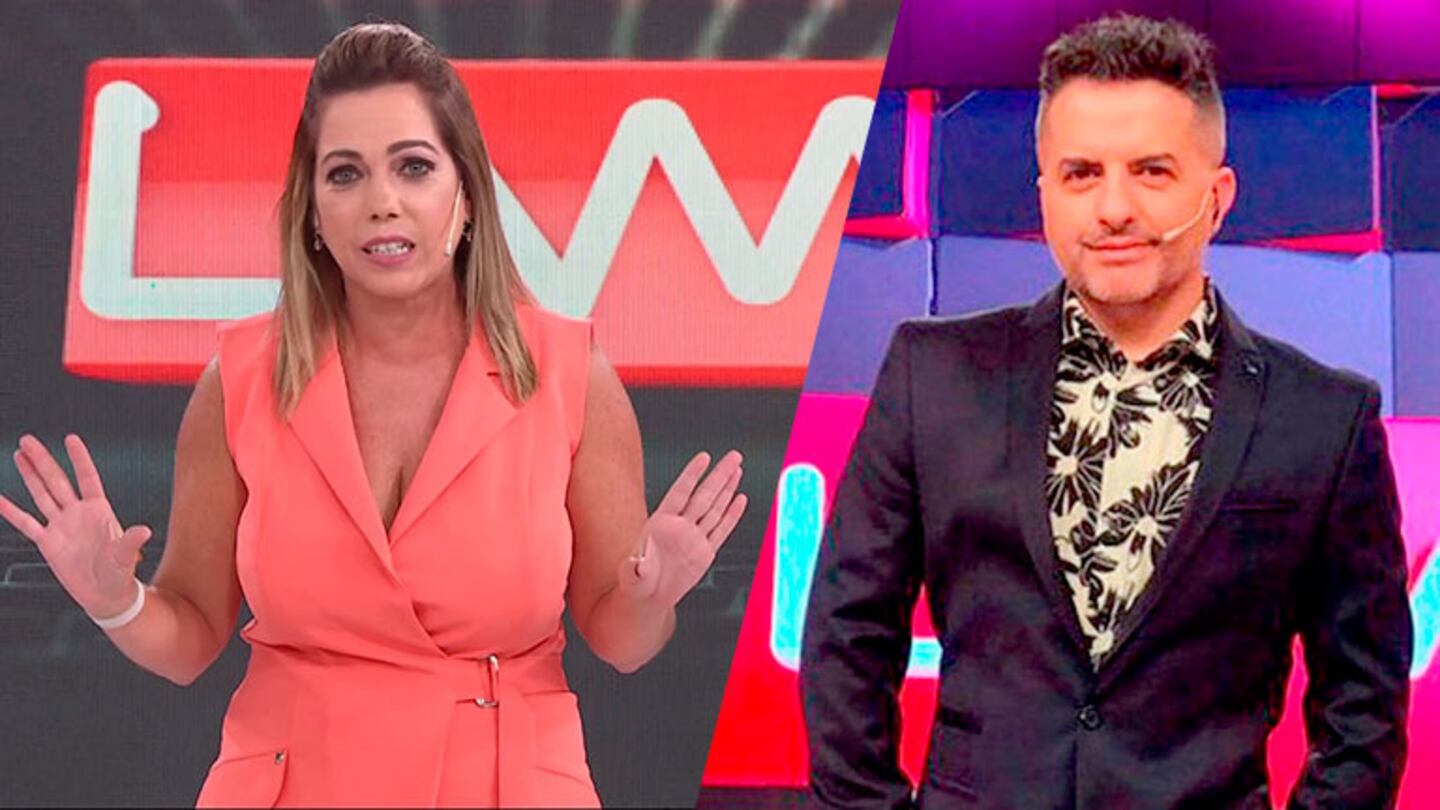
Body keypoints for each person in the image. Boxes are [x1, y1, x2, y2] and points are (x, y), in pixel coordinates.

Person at [0, 22, 747, 808]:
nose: (382, 203)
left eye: (413, 167)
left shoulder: (568, 373)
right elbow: (188, 638)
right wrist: (113, 600)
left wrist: (651, 596)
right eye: (345, 174)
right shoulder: (243, 378)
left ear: (466, 195)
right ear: (314, 211)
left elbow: (622, 642)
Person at [800, 14, 1410, 809]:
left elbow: (1365, 709)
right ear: (1045, 197)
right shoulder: (933, 375)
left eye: (1151, 171)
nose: (1113, 207)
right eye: (1082, 173)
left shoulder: (1324, 419)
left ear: (1217, 196)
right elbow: (848, 634)